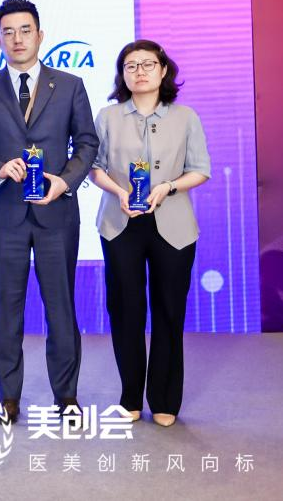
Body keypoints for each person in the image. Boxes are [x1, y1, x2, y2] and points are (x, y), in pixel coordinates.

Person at [0, 0, 98, 424]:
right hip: (6, 214)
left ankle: (67, 396)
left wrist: (65, 181)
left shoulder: (70, 85)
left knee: (61, 307)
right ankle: (8, 396)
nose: (17, 39)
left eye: (25, 31)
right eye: (8, 32)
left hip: (57, 214)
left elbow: (87, 143)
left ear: (40, 35)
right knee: (6, 308)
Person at [89, 40, 209, 427]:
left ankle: (165, 400)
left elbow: (200, 169)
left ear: (163, 70)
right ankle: (130, 398)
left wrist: (168, 187)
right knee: (125, 309)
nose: (139, 71)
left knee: (169, 310)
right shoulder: (108, 116)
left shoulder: (185, 117)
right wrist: (119, 191)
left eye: (147, 64)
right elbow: (94, 167)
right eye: (130, 66)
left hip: (172, 224)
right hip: (120, 222)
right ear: (122, 74)